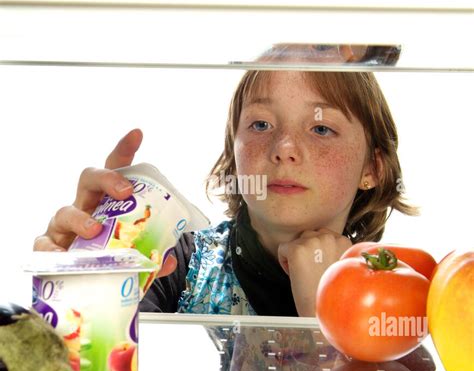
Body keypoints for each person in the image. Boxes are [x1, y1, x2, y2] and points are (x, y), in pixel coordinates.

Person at [34, 62, 418, 317]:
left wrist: (327, 309)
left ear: (373, 168)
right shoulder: (173, 265)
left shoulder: (402, 291)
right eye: (261, 125)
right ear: (233, 155)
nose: (284, 149)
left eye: (321, 129)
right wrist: (74, 298)